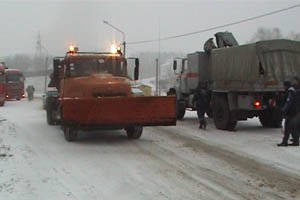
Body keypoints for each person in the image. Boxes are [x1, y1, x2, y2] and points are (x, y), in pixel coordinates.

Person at [278, 77, 300, 146]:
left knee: (287, 127)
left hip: (292, 112)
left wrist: (283, 111)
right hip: (296, 111)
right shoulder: (297, 90)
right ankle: (296, 141)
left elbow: (288, 102)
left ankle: (284, 142)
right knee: (294, 127)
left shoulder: (291, 91)